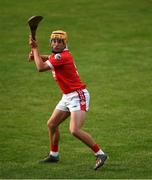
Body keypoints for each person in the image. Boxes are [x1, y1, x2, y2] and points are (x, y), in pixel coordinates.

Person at [28, 30, 107, 170]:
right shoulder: (57, 56)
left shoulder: (63, 56)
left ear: (65, 43)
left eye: (60, 41)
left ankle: (100, 154)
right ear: (51, 42)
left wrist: (35, 49)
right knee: (52, 124)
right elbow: (50, 58)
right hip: (67, 96)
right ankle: (54, 154)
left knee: (74, 130)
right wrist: (38, 56)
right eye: (54, 41)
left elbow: (40, 67)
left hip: (78, 95)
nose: (56, 44)